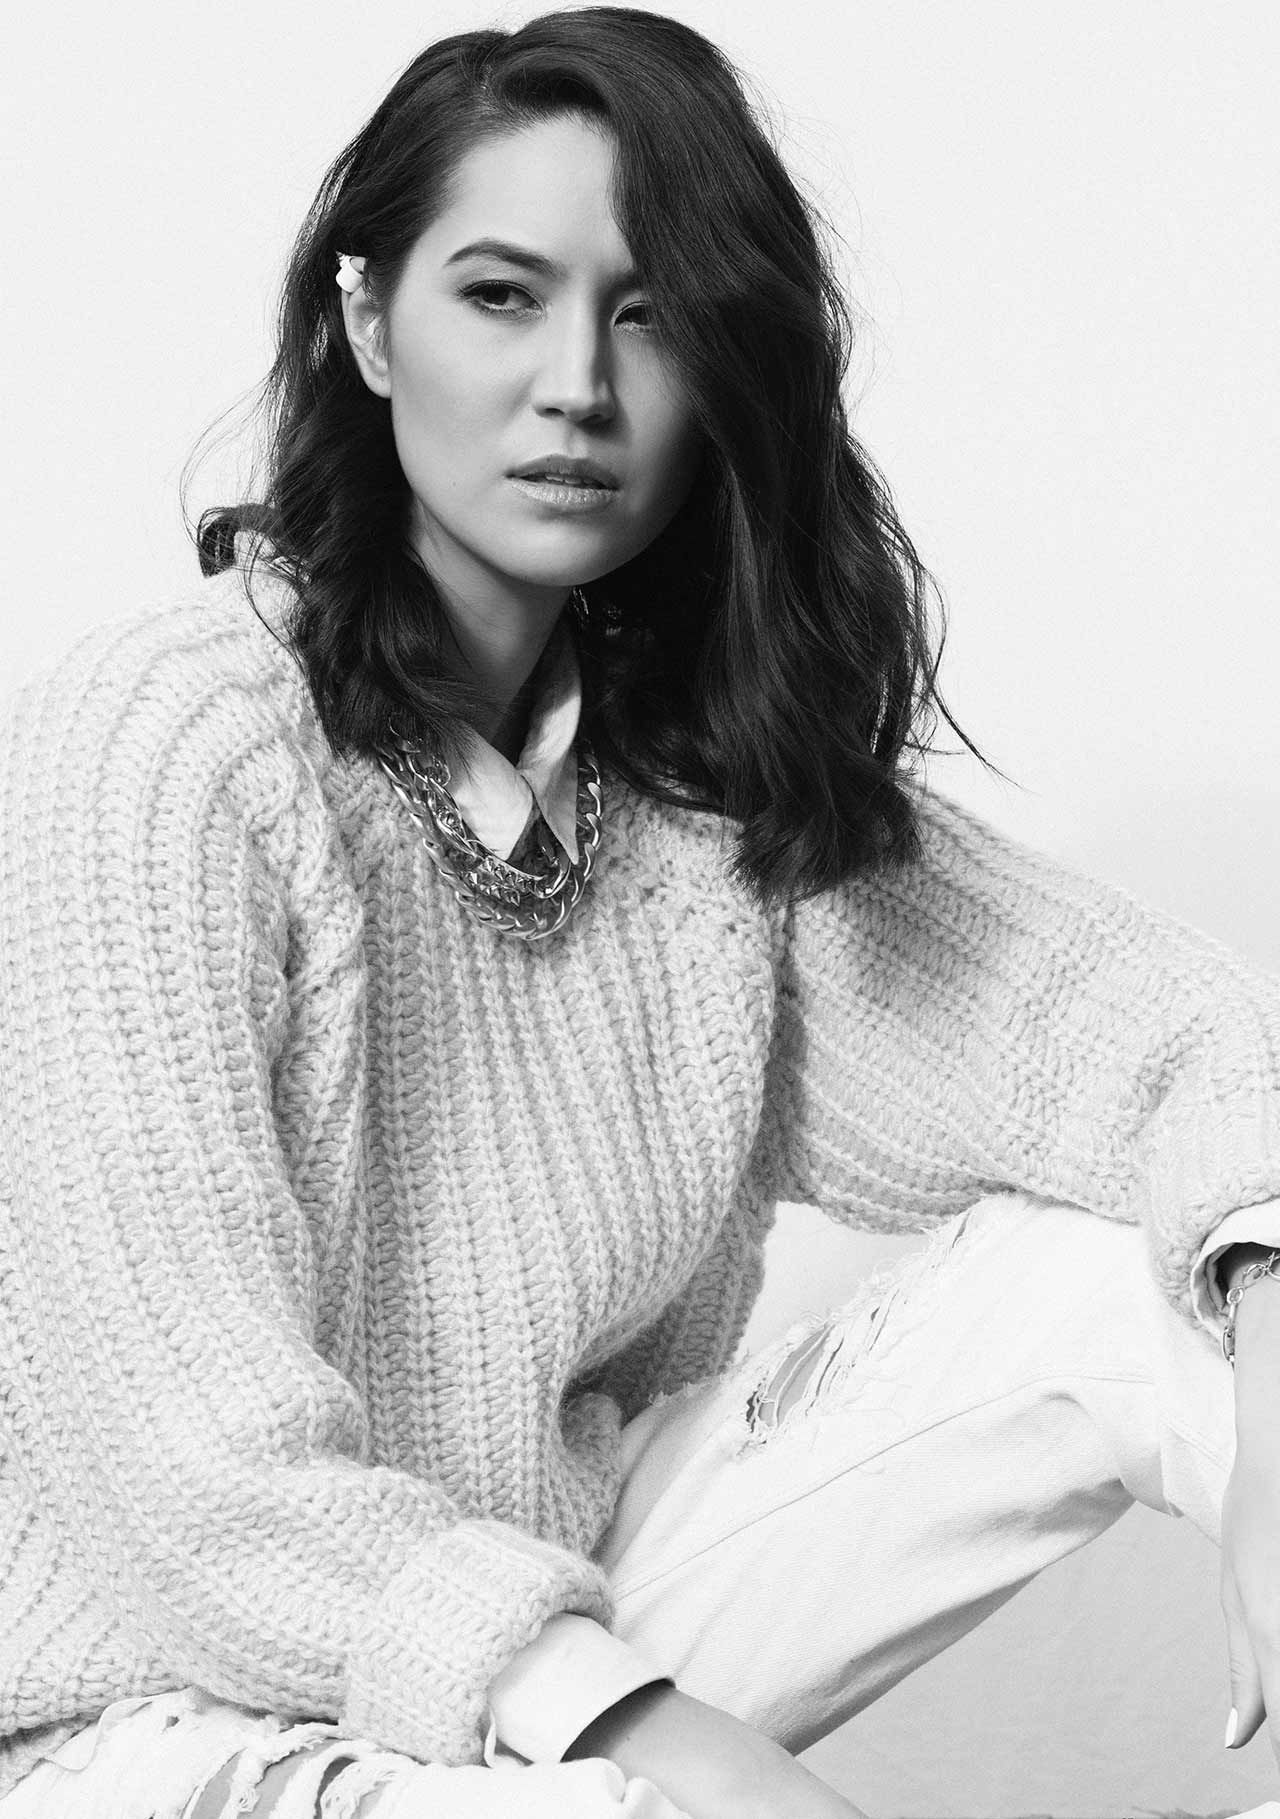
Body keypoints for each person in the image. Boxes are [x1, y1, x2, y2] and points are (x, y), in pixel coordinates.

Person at [1, 8, 1279, 1817]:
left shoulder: (684, 791)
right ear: (369, 323)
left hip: (561, 1591)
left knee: (1138, 1280)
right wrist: (692, 1755)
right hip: (154, 1713)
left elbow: (1155, 1041)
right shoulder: (163, 747)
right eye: (499, 297)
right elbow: (195, 1489)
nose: (578, 388)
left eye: (651, 314)